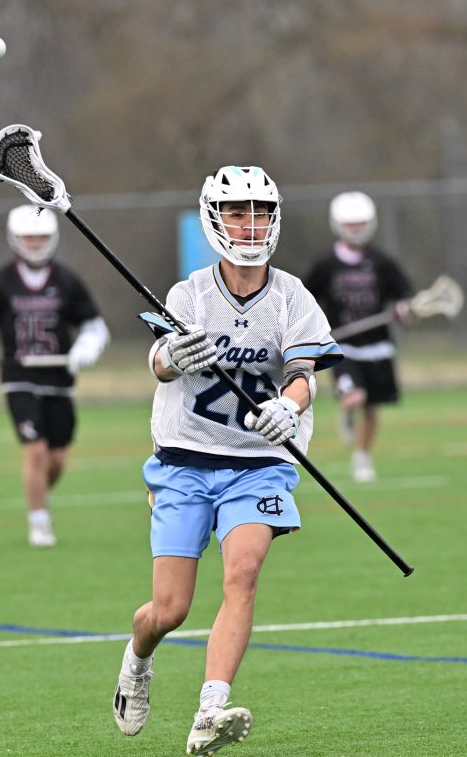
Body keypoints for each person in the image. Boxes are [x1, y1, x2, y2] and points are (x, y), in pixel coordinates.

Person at [112, 166, 343, 756]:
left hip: (258, 461)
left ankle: (209, 709)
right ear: (216, 217)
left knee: (243, 571)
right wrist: (172, 353)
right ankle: (137, 660)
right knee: (169, 609)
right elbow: (160, 363)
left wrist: (288, 410)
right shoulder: (189, 293)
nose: (250, 223)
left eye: (260, 211)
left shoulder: (292, 295)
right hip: (185, 459)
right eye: (238, 211)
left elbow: (302, 375)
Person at [0, 204, 110, 547]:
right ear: (15, 239)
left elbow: (95, 328)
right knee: (35, 452)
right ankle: (39, 522)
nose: (35, 243)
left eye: (41, 237)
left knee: (56, 458)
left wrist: (87, 347)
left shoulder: (66, 280)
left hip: (59, 381)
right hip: (18, 377)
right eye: (28, 237)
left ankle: (38, 495)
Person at [304, 191, 413, 483]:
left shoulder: (381, 262)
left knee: (372, 408)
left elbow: (403, 293)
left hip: (377, 346)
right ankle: (347, 406)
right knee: (355, 395)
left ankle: (362, 456)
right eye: (350, 224)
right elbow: (306, 298)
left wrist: (403, 308)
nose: (356, 229)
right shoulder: (326, 264)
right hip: (344, 346)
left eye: (360, 223)